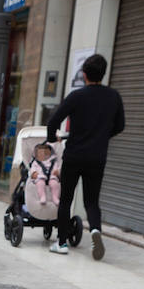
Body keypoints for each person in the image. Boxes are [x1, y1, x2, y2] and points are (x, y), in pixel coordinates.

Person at [46, 54, 125, 258]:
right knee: (92, 201)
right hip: (97, 157)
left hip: (74, 155)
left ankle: (61, 243)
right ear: (104, 73)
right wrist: (101, 136)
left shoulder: (77, 96)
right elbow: (120, 126)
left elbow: (54, 121)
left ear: (84, 75)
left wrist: (52, 138)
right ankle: (96, 231)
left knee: (66, 199)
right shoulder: (113, 97)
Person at [28, 142, 61, 207]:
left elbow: (56, 168)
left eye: (45, 153)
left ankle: (55, 197)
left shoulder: (53, 161)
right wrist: (33, 173)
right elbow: (32, 169)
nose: (42, 154)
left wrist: (57, 172)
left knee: (55, 184)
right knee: (40, 184)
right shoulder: (35, 162)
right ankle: (42, 196)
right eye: (39, 153)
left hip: (52, 177)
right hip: (40, 177)